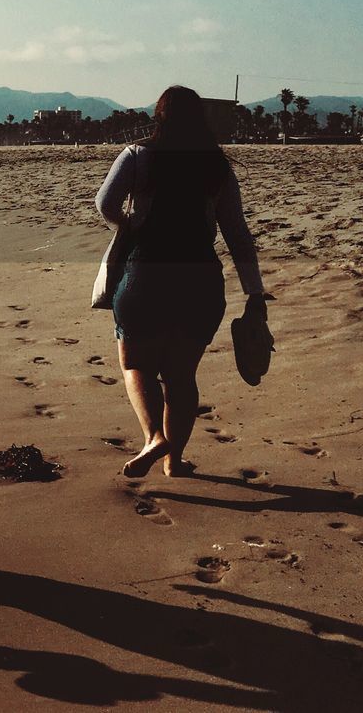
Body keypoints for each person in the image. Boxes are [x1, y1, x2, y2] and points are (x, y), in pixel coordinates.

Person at [95, 86, 267, 478]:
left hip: (145, 275)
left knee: (135, 364)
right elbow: (238, 234)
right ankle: (174, 462)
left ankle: (155, 437)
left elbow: (104, 203)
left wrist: (128, 222)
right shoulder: (217, 166)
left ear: (159, 116)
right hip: (200, 280)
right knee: (181, 376)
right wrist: (254, 293)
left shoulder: (137, 156)